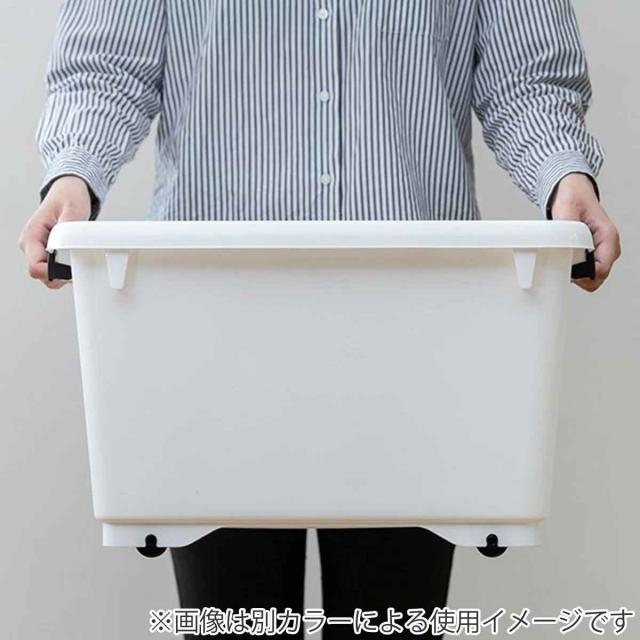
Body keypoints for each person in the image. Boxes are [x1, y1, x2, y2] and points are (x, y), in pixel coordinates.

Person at [18, 1, 621, 638]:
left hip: (417, 338)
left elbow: (527, 75)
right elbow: (106, 68)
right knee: (232, 625)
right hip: (209, 335)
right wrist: (74, 174)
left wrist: (564, 175)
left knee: (390, 623)